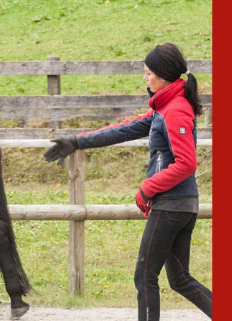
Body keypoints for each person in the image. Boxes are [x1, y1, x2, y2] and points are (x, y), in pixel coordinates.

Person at [43, 43, 212, 320]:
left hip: (172, 205)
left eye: (148, 73)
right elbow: (123, 130)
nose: (144, 78)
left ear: (163, 74)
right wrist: (75, 142)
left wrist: (148, 187)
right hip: (179, 204)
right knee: (180, 279)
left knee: (144, 276)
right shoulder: (164, 107)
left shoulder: (176, 110)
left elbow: (187, 163)